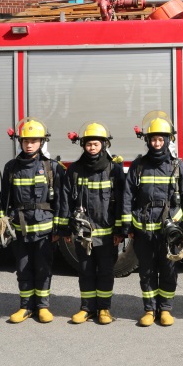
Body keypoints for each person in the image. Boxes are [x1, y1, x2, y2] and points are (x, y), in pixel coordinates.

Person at [122, 111, 183, 327]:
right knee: (146, 270)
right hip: (144, 229)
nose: (156, 143)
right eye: (153, 139)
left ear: (168, 140)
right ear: (147, 140)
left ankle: (165, 310)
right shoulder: (138, 166)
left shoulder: (178, 167)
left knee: (169, 269)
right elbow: (128, 195)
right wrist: (127, 225)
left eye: (160, 139)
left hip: (170, 231)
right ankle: (149, 310)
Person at [0, 118, 65, 324]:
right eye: (25, 141)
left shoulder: (53, 167)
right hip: (20, 228)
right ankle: (26, 306)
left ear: (41, 142)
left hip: (45, 230)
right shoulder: (11, 167)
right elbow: (5, 199)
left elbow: (62, 201)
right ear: (20, 142)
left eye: (33, 141)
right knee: (23, 267)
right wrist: (1, 223)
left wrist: (60, 229)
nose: (29, 145)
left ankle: (43, 306)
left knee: (43, 267)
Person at [61, 122, 125, 325]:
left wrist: (121, 230)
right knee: (86, 271)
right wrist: (64, 228)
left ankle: (104, 309)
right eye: (88, 144)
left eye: (96, 144)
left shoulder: (114, 170)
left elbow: (123, 200)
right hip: (83, 235)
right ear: (83, 146)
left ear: (104, 145)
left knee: (106, 272)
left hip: (107, 235)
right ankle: (87, 308)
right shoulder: (75, 170)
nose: (92, 148)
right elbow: (65, 199)